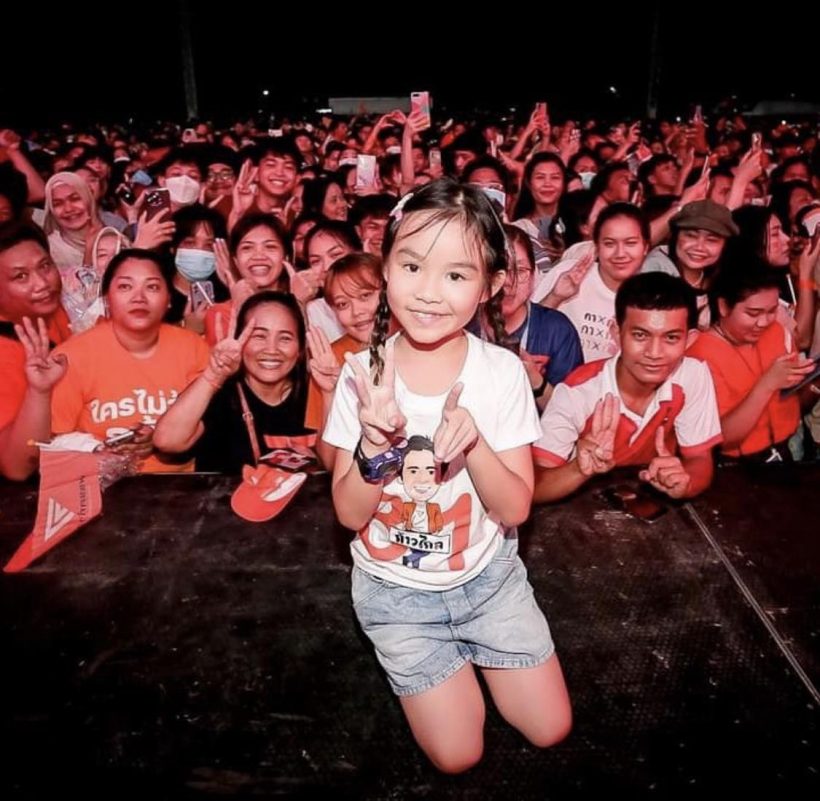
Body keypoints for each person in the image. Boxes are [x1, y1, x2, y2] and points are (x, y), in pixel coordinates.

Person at [323, 178, 571, 773]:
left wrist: (476, 444)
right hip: (395, 593)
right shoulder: (361, 372)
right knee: (459, 757)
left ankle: (479, 663)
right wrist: (374, 444)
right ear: (385, 268)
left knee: (552, 730)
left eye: (456, 275)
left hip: (489, 583)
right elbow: (349, 515)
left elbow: (514, 511)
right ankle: (446, 676)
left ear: (491, 285)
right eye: (412, 266)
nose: (429, 293)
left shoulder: (502, 373)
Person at [533, 273, 721, 502]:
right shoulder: (578, 392)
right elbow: (534, 487)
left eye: (671, 338)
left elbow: (700, 460)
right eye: (640, 335)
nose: (654, 353)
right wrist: (578, 469)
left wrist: (685, 482)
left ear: (689, 340)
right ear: (617, 333)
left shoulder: (692, 374)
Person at [50, 249, 210, 473]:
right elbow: (54, 440)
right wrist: (97, 451)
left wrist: (160, 439)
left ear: (169, 300)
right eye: (125, 286)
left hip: (180, 487)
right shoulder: (71, 357)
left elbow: (210, 427)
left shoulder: (194, 348)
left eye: (152, 287)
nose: (139, 297)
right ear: (106, 299)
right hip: (97, 486)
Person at [154, 291, 313, 474]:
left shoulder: (315, 394)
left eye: (285, 338)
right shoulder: (220, 393)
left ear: (301, 349)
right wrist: (213, 376)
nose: (271, 349)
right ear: (240, 341)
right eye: (259, 336)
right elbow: (166, 441)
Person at [687, 263, 818, 462]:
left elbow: (793, 403)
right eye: (753, 313)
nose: (764, 322)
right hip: (738, 465)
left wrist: (813, 385)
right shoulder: (699, 357)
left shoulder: (778, 332)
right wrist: (767, 384)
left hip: (790, 449)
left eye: (772, 310)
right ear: (723, 306)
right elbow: (722, 439)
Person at [534, 203, 651, 362]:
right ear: (596, 247)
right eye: (609, 243)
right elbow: (528, 331)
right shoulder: (569, 273)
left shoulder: (653, 299)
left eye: (630, 243)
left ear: (645, 247)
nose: (620, 253)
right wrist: (555, 297)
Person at [0, 225, 71, 479]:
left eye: (45, 266)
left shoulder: (49, 310)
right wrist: (39, 392)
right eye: (21, 277)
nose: (42, 283)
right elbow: (17, 467)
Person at [305, 253, 387, 469]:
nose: (357, 311)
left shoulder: (418, 343)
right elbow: (329, 463)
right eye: (342, 304)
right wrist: (330, 393)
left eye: (365, 296)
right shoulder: (330, 359)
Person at [500, 226, 583, 409]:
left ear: (532, 277)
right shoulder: (462, 323)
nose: (508, 282)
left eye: (520, 270)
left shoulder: (557, 329)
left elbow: (571, 416)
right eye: (499, 269)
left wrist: (535, 381)